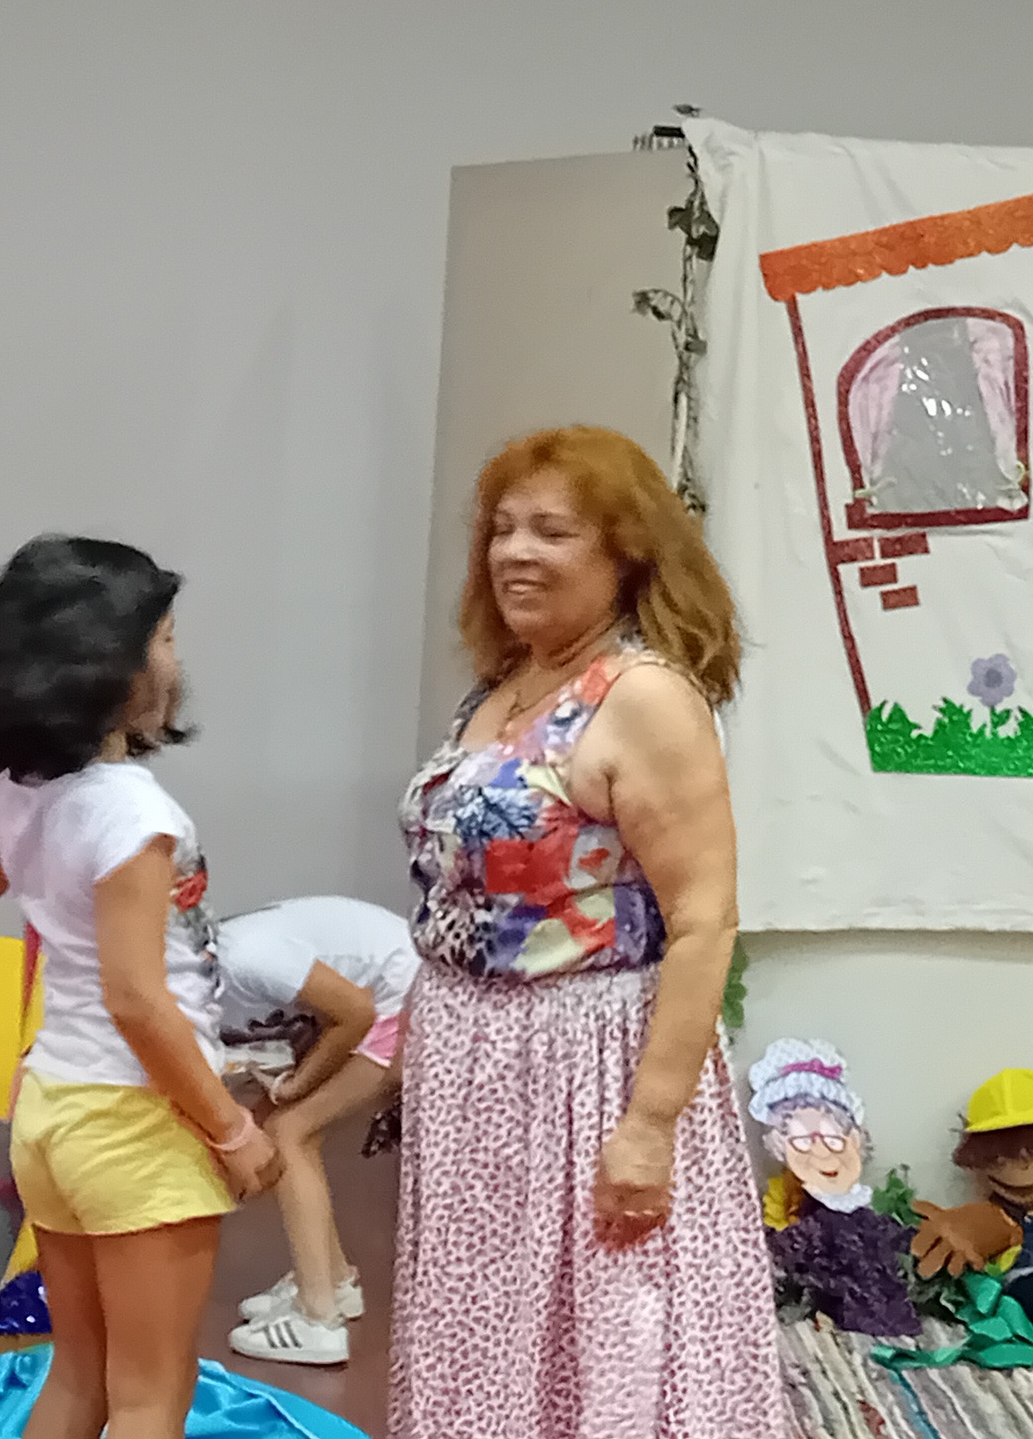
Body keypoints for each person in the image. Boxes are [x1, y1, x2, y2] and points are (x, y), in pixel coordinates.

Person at [391, 427, 785, 1438]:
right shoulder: (502, 688)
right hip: (475, 1071)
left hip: (587, 1069)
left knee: (601, 1331)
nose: (515, 553)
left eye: (552, 531)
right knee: (485, 1327)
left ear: (624, 555)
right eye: (502, 529)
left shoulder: (643, 697)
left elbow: (703, 921)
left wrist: (648, 1126)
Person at [0, 536, 282, 1439]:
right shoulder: (133, 810)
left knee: (78, 1377)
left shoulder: (18, 790)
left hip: (54, 1107)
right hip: (136, 1118)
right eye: (164, 638)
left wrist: (2, 775)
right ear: (112, 664)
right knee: (150, 1393)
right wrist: (233, 1128)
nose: (175, 659)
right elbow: (137, 1000)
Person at [217, 895, 417, 1366]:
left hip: (404, 1001)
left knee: (289, 1133)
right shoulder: (222, 964)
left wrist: (297, 1085)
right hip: (388, 996)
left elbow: (357, 1013)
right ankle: (334, 1282)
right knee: (296, 1132)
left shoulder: (245, 957)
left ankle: (317, 1318)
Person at [749, 1039, 918, 1337]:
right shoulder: (815, 1221)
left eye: (832, 1137)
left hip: (887, 1315)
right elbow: (785, 1252)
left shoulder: (863, 1216)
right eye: (803, 1139)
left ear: (853, 1140)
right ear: (780, 1144)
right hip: (845, 1316)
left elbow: (895, 1238)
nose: (821, 1151)